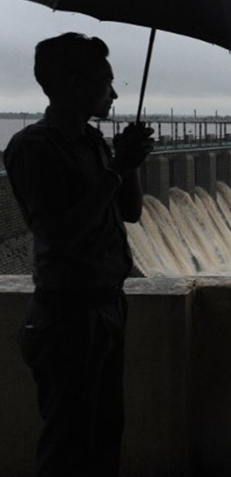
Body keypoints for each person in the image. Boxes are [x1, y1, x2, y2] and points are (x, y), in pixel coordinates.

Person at [3, 33, 154, 477]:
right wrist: (116, 169)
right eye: (106, 82)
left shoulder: (92, 141)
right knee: (68, 448)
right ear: (73, 84)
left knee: (106, 437)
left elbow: (130, 212)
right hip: (68, 318)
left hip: (107, 307)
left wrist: (130, 164)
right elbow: (57, 235)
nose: (114, 93)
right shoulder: (35, 147)